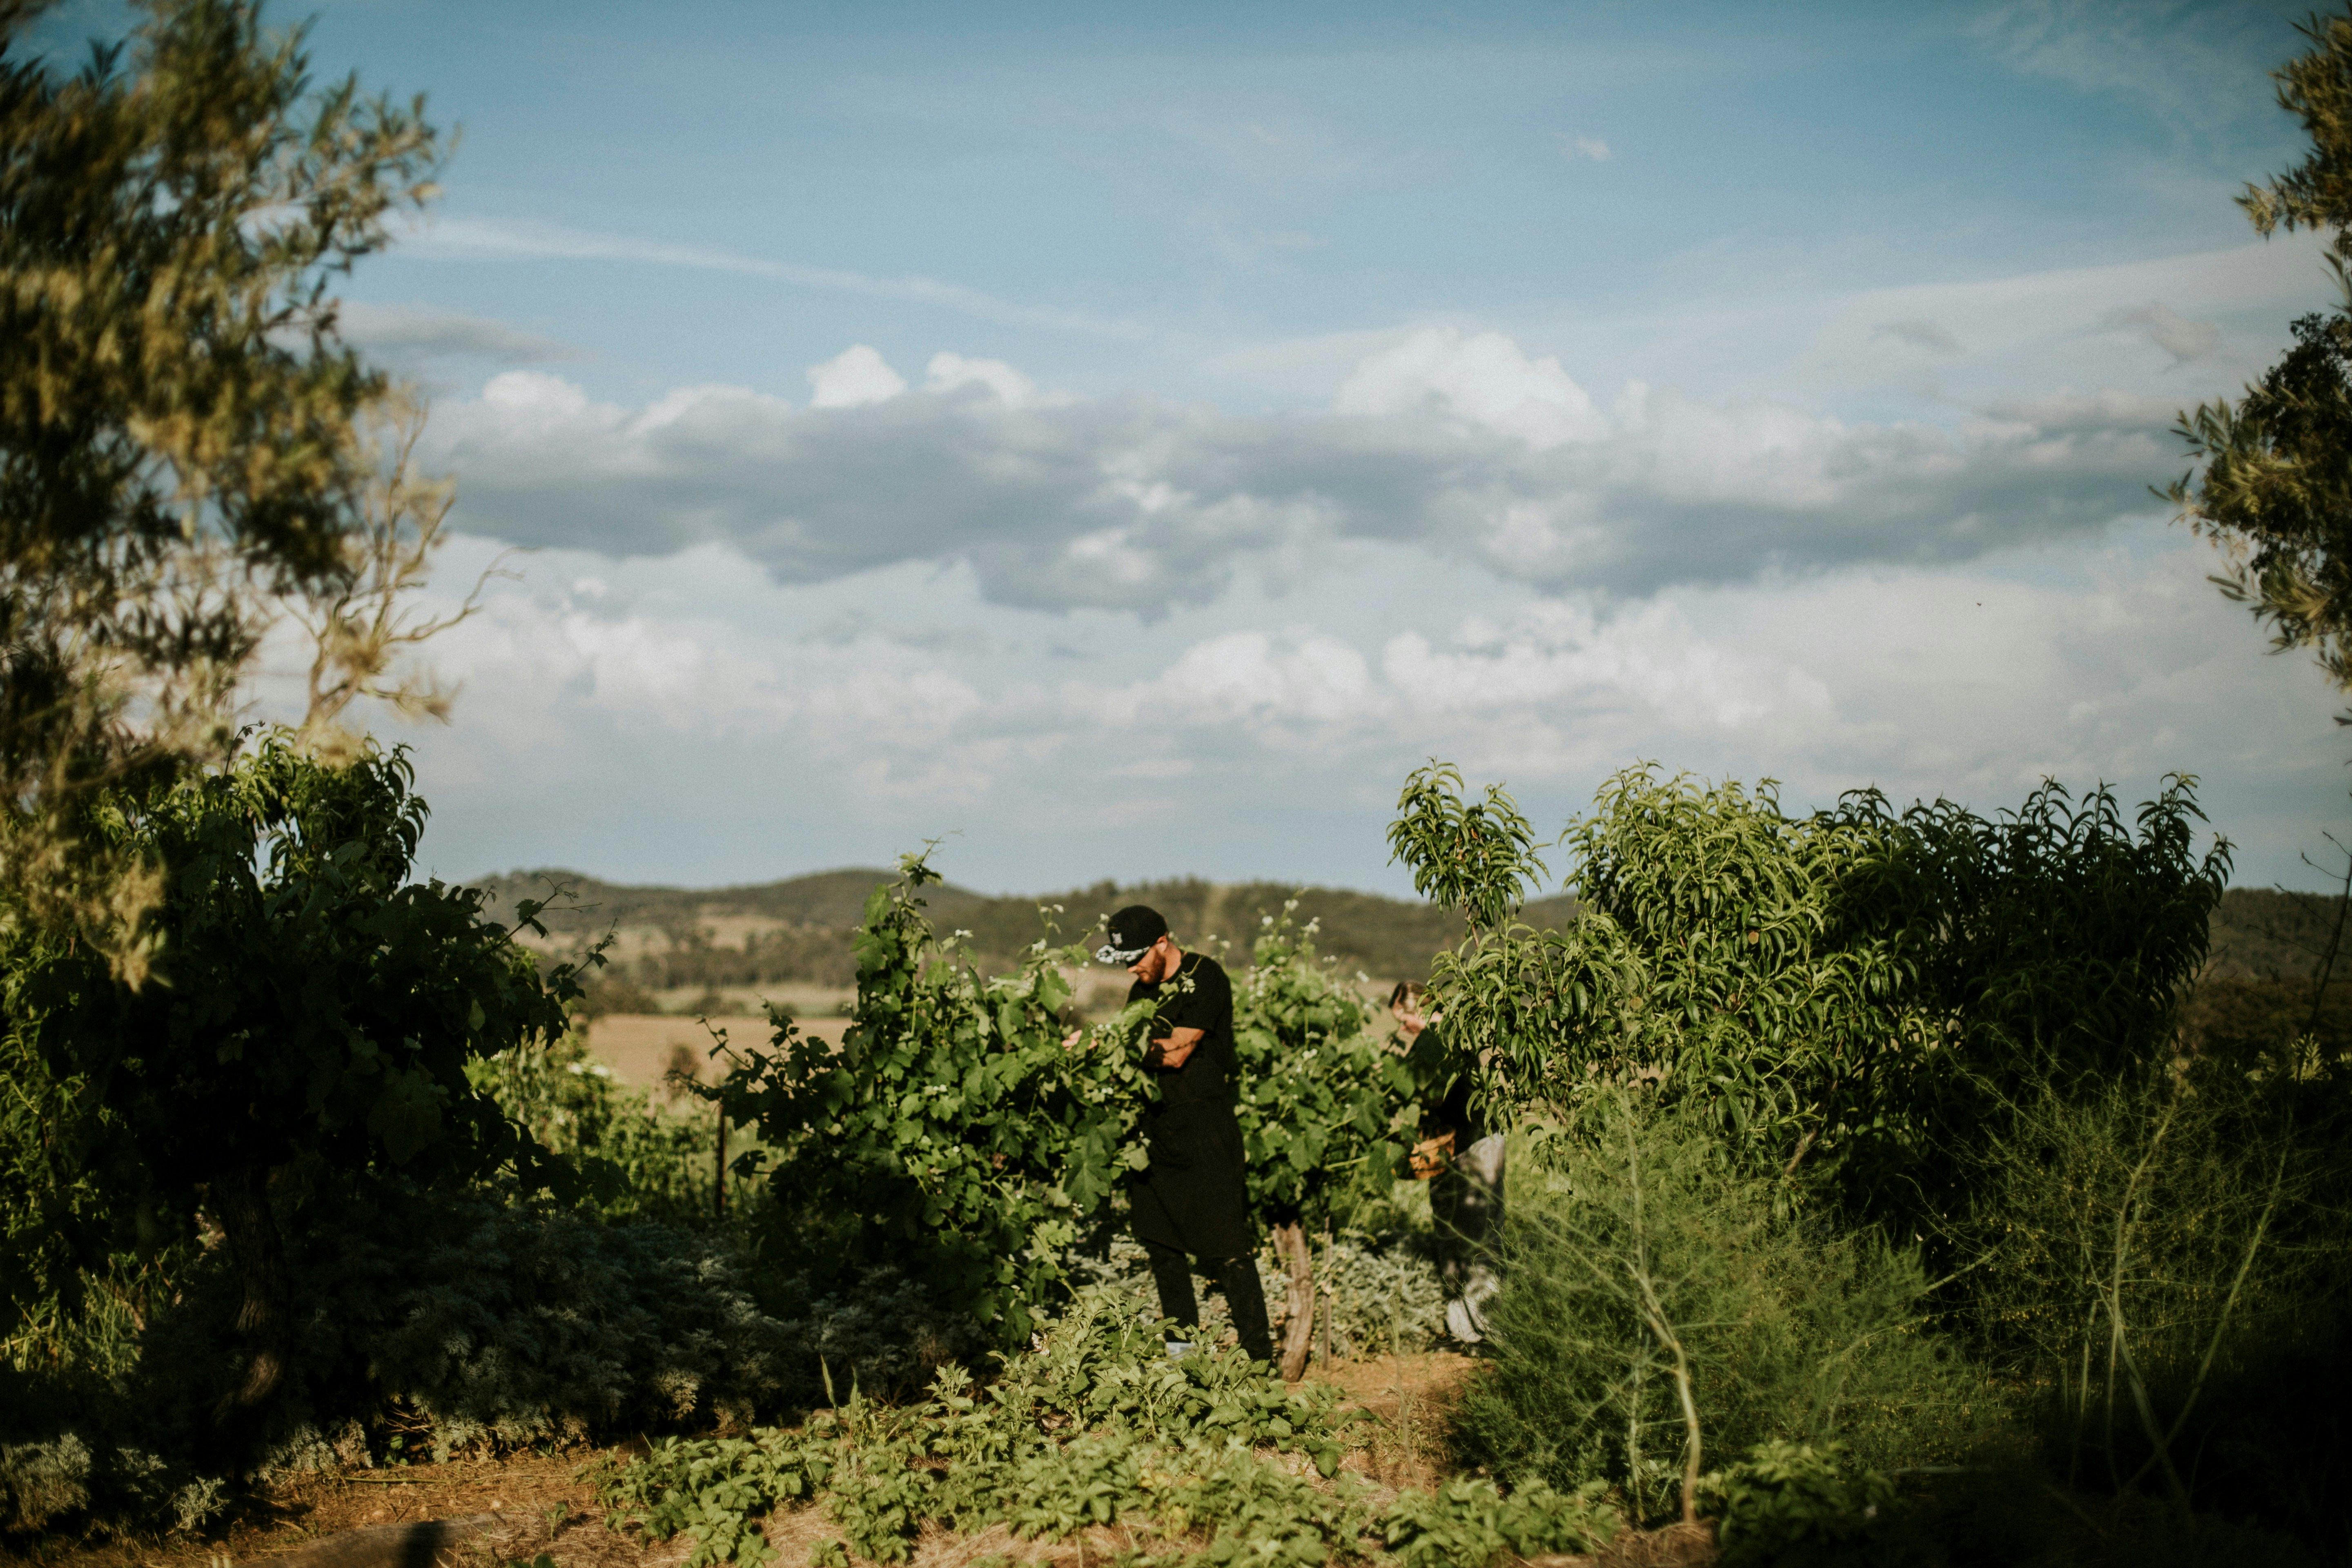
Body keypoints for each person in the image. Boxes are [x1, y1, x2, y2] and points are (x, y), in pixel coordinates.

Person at [1072, 904, 1274, 1364]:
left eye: (1138, 957)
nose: (1131, 968)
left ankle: (1261, 1366)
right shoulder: (1140, 992)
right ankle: (1183, 1364)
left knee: (1228, 1251)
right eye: (1124, 961)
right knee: (1163, 1251)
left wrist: (1106, 1044)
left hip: (1205, 1131)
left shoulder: (1206, 977)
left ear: (1163, 942)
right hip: (1155, 1133)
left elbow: (1177, 1052)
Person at [1391, 980, 1504, 1349]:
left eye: (1405, 1019)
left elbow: (1430, 1095)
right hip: (1453, 1146)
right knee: (1454, 1236)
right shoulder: (1434, 1041)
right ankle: (1464, 1330)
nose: (1403, 1028)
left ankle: (1486, 1329)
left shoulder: (1443, 1038)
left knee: (1477, 1234)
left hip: (1475, 1144)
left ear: (1419, 1009)